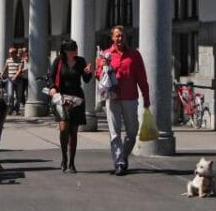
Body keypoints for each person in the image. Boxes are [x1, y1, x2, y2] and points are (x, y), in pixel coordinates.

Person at [96, 25, 150, 176]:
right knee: (114, 133)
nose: (120, 38)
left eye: (122, 36)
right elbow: (99, 76)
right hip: (112, 98)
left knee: (132, 132)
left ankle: (124, 155)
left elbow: (142, 77)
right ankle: (119, 161)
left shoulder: (134, 55)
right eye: (117, 36)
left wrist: (146, 96)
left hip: (130, 97)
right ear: (112, 37)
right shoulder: (106, 54)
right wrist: (102, 68)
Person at [49, 39, 93, 173]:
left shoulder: (80, 61)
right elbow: (51, 78)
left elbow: (86, 79)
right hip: (62, 98)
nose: (76, 51)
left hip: (77, 99)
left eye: (76, 48)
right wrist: (52, 89)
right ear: (66, 51)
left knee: (73, 132)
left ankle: (72, 163)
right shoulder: (58, 61)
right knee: (63, 129)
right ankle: (64, 157)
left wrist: (88, 72)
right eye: (73, 49)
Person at [0, 46, 25, 115]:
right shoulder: (8, 60)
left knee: (18, 96)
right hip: (10, 79)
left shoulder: (21, 60)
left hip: (19, 79)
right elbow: (5, 68)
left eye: (11, 53)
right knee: (10, 95)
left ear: (15, 53)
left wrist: (15, 76)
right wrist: (1, 75)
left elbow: (20, 70)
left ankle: (16, 110)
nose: (10, 54)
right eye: (9, 53)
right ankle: (11, 109)